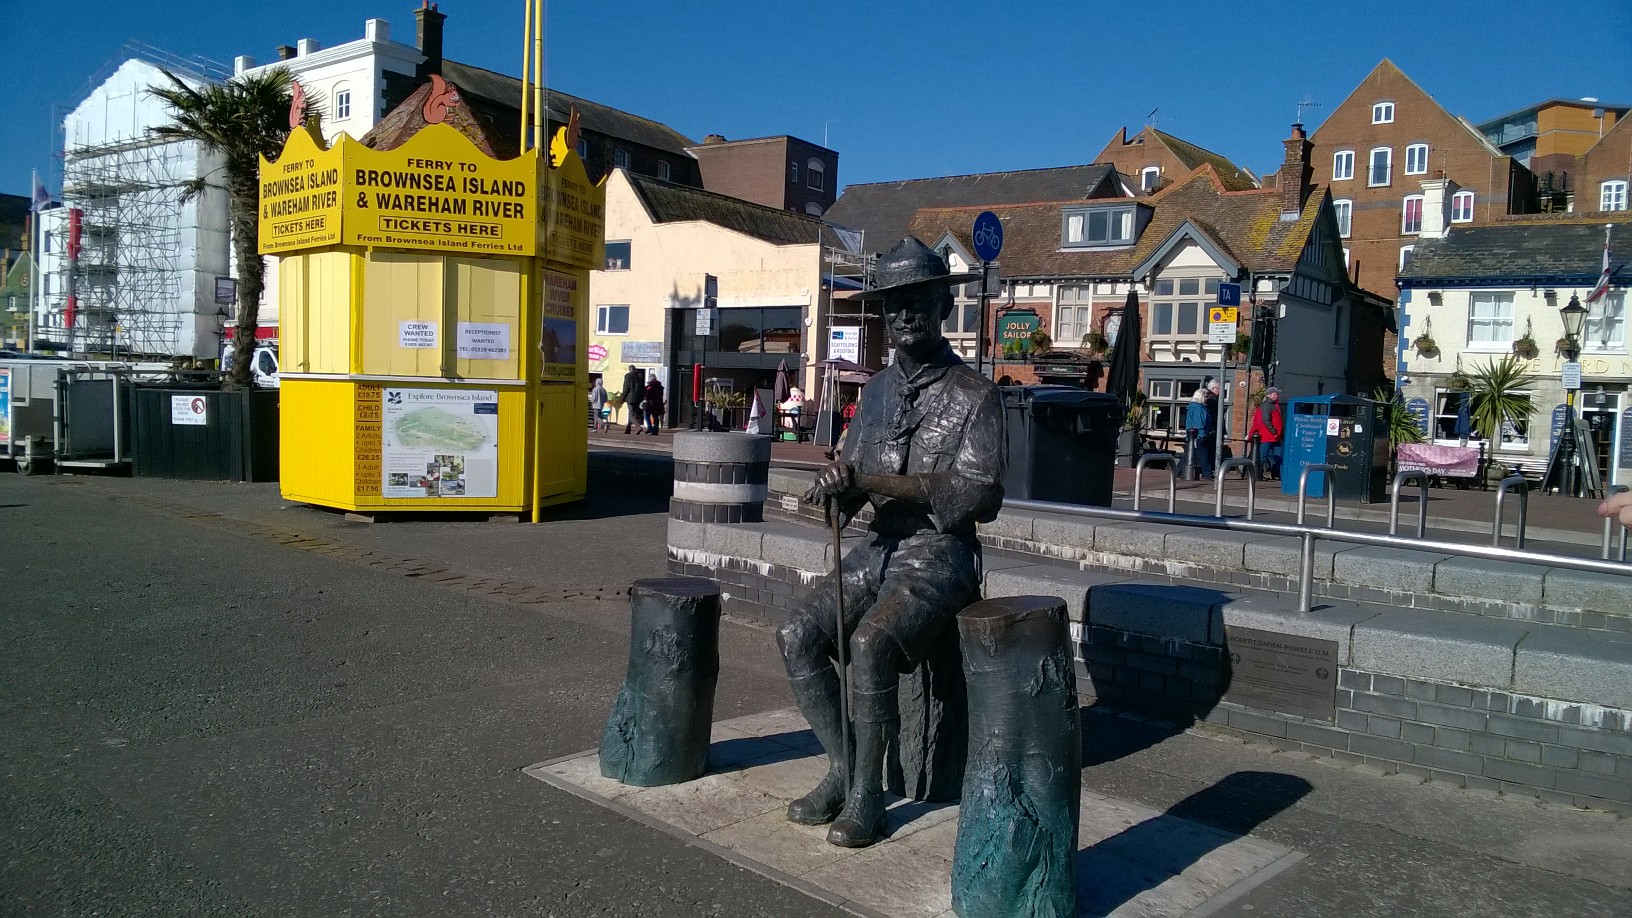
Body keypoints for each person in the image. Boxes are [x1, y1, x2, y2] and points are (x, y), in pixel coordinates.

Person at [780, 236, 1005, 849]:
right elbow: (853, 485)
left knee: (871, 643)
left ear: (944, 306)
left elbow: (975, 497)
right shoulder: (875, 392)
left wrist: (869, 480)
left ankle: (869, 799)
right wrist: (834, 488)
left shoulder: (976, 396)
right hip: (877, 549)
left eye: (918, 301)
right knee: (796, 632)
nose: (903, 314)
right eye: (892, 304)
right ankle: (846, 769)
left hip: (939, 556)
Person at [1247, 387, 1284, 480]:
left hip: (1274, 437)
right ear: (1270, 394)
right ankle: (1255, 475)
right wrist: (1274, 430)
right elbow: (1265, 420)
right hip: (1268, 436)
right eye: (1276, 394)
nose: (1277, 395)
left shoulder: (1272, 405)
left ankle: (1277, 474)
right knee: (1262, 456)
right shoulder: (1267, 405)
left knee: (1277, 456)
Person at [1185, 387, 1213, 480]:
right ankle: (1207, 474)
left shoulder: (1195, 407)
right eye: (1206, 396)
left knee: (1190, 455)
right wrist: (1202, 434)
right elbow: (1199, 423)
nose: (1207, 398)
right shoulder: (1198, 408)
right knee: (1203, 455)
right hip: (1198, 435)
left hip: (1194, 435)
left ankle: (1179, 471)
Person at [621, 365, 645, 434]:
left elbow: (626, 388)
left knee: (631, 414)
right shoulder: (639, 376)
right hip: (638, 398)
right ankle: (628, 429)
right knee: (632, 413)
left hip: (630, 398)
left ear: (629, 369)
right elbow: (642, 388)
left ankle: (638, 427)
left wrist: (622, 398)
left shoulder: (628, 376)